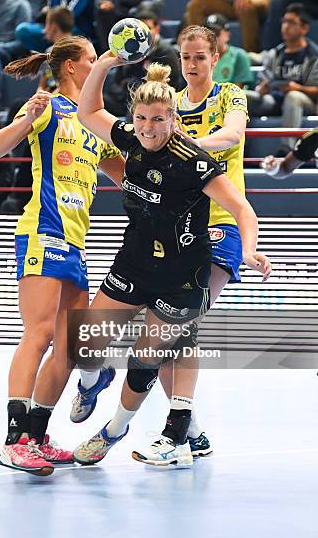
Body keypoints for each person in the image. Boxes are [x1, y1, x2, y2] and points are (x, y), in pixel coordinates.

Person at [69, 52, 271, 467]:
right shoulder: (130, 136)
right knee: (85, 342)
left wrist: (249, 248)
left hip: (182, 273)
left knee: (145, 358)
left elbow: (243, 209)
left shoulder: (192, 162)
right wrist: (104, 65)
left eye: (159, 120)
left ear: (174, 120)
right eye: (142, 118)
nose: (149, 128)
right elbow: (88, 111)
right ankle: (93, 382)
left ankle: (114, 430)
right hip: (134, 263)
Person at [0, 36, 126, 475]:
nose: (95, 65)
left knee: (71, 344)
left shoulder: (97, 123)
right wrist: (25, 118)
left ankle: (37, 434)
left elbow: (132, 180)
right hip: (42, 231)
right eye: (90, 59)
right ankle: (13, 440)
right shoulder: (48, 106)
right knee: (41, 334)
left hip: (76, 243)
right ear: (71, 68)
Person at [246, 3, 318, 153]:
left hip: (305, 102)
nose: (285, 26)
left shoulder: (313, 56)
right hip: (274, 99)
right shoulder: (276, 54)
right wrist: (262, 88)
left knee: (293, 96)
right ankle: (234, 147)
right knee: (244, 97)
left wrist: (297, 88)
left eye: (291, 22)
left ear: (304, 28)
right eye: (284, 22)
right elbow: (261, 83)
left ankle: (288, 148)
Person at [104, 9, 183, 117]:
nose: (144, 34)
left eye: (148, 28)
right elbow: (116, 81)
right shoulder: (129, 50)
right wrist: (126, 90)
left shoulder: (166, 52)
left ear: (157, 29)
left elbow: (172, 86)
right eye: (140, 30)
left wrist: (137, 86)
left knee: (139, 107)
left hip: (153, 102)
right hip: (124, 99)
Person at [204, 13, 254, 88]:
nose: (211, 38)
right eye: (207, 34)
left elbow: (237, 91)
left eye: (216, 33)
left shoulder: (239, 56)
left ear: (227, 35)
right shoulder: (199, 58)